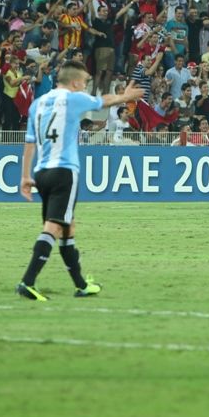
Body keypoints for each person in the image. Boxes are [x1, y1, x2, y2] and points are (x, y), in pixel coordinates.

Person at [16, 61, 145, 301]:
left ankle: (81, 285)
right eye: (85, 82)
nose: (86, 86)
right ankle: (27, 281)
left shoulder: (38, 104)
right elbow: (104, 101)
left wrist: (25, 176)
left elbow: (30, 142)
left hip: (43, 173)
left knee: (67, 226)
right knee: (53, 227)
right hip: (65, 171)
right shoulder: (73, 99)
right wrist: (124, 96)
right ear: (75, 82)